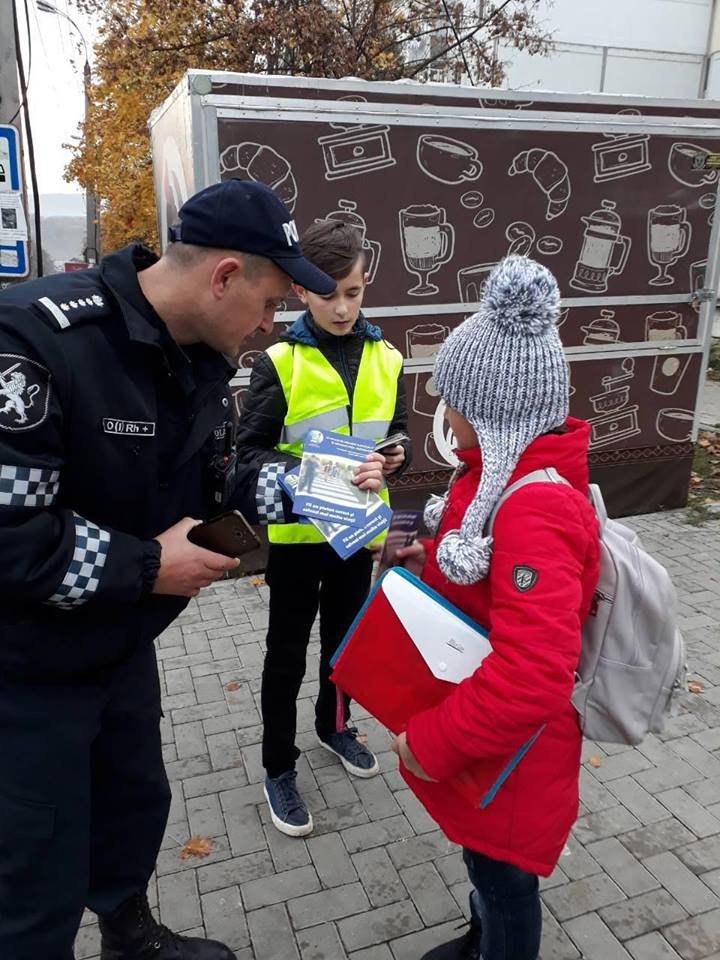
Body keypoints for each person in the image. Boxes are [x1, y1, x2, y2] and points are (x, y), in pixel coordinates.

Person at [0, 179, 385, 960]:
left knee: (134, 804)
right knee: (32, 872)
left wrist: (335, 490)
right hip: (26, 675)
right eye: (272, 301)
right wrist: (148, 566)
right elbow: (10, 540)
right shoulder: (37, 340)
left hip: (118, 650)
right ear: (224, 277)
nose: (272, 323)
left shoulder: (198, 361)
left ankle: (130, 937)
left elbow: (228, 484)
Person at [390, 257, 601, 960]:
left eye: (450, 398)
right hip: (498, 750)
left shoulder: (533, 505)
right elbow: (496, 592)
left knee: (507, 883)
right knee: (485, 867)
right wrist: (428, 567)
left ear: (487, 410)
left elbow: (535, 673)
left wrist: (431, 744)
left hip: (513, 758)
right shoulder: (494, 478)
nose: (442, 411)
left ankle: (499, 945)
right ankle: (483, 936)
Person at [235, 220, 411, 837]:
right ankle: (278, 766)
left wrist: (394, 454)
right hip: (296, 540)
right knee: (285, 655)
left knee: (345, 645)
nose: (342, 306)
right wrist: (319, 472)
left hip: (357, 536)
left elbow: (399, 433)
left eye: (354, 291)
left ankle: (333, 726)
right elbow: (247, 453)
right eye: (328, 292)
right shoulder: (278, 363)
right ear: (302, 290)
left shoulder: (388, 356)